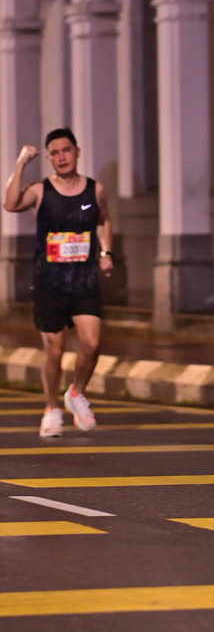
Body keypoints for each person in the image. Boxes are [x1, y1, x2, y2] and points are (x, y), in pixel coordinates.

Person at [3, 128, 114, 438]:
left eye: (66, 150)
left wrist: (106, 252)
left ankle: (76, 393)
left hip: (83, 281)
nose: (61, 157)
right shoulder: (40, 191)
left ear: (77, 152)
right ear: (49, 159)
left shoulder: (95, 190)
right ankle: (51, 408)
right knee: (55, 350)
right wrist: (21, 163)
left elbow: (104, 220)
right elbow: (10, 203)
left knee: (92, 344)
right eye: (54, 152)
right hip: (49, 283)